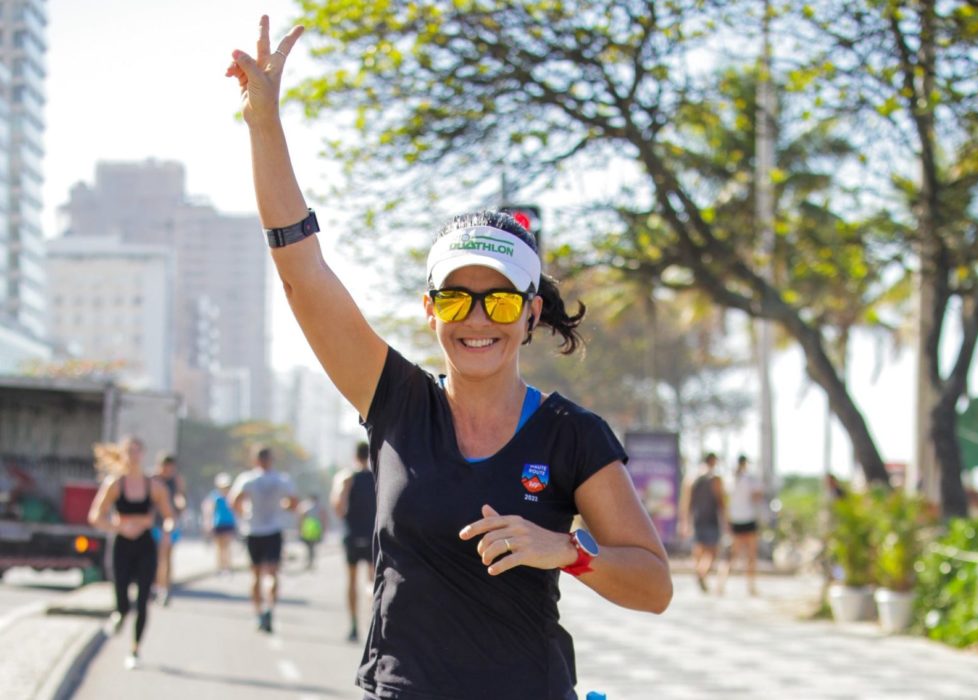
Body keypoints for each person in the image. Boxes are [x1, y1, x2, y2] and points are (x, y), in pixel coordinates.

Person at [227, 18, 672, 698]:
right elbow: (302, 273)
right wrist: (264, 125)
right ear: (430, 308)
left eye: (498, 302)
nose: (477, 320)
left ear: (529, 312)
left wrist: (569, 550)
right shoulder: (397, 402)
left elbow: (653, 585)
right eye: (457, 300)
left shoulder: (570, 435)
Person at [88, 436, 174, 670]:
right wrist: (118, 526)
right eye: (129, 451)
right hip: (122, 545)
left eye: (137, 451)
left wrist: (166, 532)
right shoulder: (115, 484)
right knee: (122, 598)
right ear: (123, 454)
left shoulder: (154, 486)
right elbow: (95, 516)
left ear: (143, 454)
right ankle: (119, 614)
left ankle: (135, 649)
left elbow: (169, 517)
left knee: (144, 599)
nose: (133, 455)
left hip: (145, 545)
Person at [229, 445, 298, 633]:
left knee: (255, 575)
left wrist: (244, 513)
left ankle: (258, 613)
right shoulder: (281, 479)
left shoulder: (247, 479)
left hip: (253, 530)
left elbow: (234, 500)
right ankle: (270, 609)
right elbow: (293, 502)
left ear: (255, 460)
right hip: (274, 530)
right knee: (272, 574)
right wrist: (282, 507)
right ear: (271, 460)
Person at [331, 441, 376, 642]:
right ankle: (372, 622)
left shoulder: (347, 477)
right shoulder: (378, 476)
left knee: (351, 580)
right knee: (372, 581)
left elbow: (338, 508)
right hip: (372, 534)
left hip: (352, 533)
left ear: (355, 456)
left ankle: (353, 625)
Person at [679, 452, 727, 593]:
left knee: (698, 550)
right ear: (712, 461)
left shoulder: (691, 478)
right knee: (712, 552)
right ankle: (701, 573)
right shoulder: (715, 478)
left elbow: (686, 502)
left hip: (697, 518)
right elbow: (721, 501)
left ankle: (700, 572)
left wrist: (684, 522)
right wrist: (726, 520)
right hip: (711, 519)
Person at [717, 454, 764, 595]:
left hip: (735, 520)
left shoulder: (730, 479)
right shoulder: (750, 479)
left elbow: (724, 502)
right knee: (751, 556)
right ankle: (751, 587)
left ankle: (721, 585)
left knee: (732, 555)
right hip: (748, 519)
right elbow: (758, 497)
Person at [151, 452, 186, 605]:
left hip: (170, 522)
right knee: (157, 558)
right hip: (155, 523)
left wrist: (180, 504)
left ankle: (166, 588)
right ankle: (158, 587)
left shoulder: (176, 480)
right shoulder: (153, 480)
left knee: (168, 557)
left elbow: (180, 496)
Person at [202, 472, 238, 575]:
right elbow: (209, 510)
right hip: (218, 524)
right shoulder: (215, 496)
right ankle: (220, 567)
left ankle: (227, 567)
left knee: (227, 546)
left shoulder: (232, 496)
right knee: (219, 547)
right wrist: (208, 523)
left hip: (229, 523)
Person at [297, 491, 329, 571]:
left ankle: (309, 562)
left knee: (309, 547)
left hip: (307, 528)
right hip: (316, 528)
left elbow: (301, 517)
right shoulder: (319, 506)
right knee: (312, 547)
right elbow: (323, 518)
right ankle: (311, 562)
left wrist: (299, 528)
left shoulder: (305, 506)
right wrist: (324, 529)